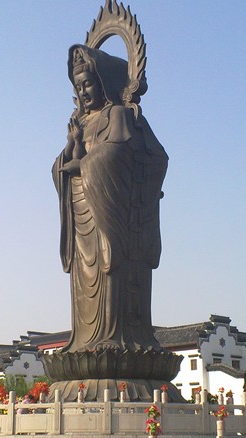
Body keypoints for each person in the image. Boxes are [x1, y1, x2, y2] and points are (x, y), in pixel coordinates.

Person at [52, 44, 168, 354]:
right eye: (79, 86)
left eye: (88, 83)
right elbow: (64, 165)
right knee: (83, 280)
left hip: (111, 212)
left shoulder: (117, 114)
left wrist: (85, 165)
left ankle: (115, 338)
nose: (83, 91)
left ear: (105, 82)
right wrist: (73, 145)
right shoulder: (83, 122)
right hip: (81, 211)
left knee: (110, 268)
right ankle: (84, 341)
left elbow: (122, 152)